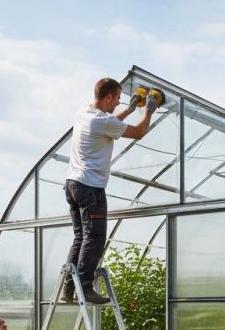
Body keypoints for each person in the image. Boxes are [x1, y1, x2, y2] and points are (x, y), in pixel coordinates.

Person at [62, 77, 157, 305]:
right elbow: (138, 132)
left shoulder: (83, 112)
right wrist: (149, 111)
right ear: (108, 97)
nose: (118, 103)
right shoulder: (101, 121)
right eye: (118, 99)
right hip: (90, 187)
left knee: (80, 237)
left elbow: (110, 123)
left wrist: (129, 110)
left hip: (73, 184)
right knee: (94, 237)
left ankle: (68, 289)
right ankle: (85, 287)